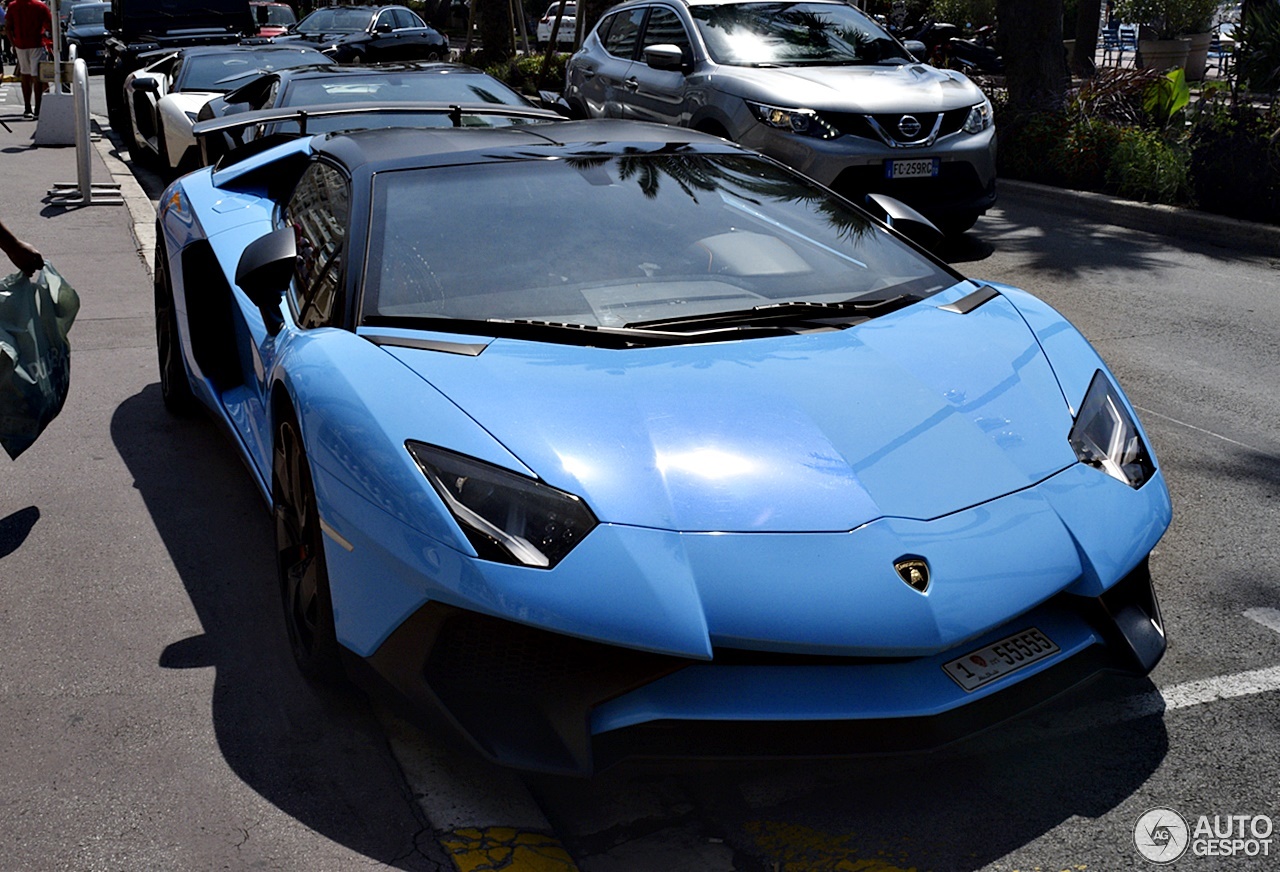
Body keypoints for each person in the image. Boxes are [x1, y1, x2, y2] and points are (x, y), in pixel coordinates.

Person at [4, 0, 52, 119]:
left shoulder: (13, 6)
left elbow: (8, 27)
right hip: (36, 43)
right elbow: (50, 25)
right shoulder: (40, 6)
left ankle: (27, 107)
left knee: (25, 76)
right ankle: (38, 108)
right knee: (37, 77)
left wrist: (13, 44)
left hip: (21, 44)